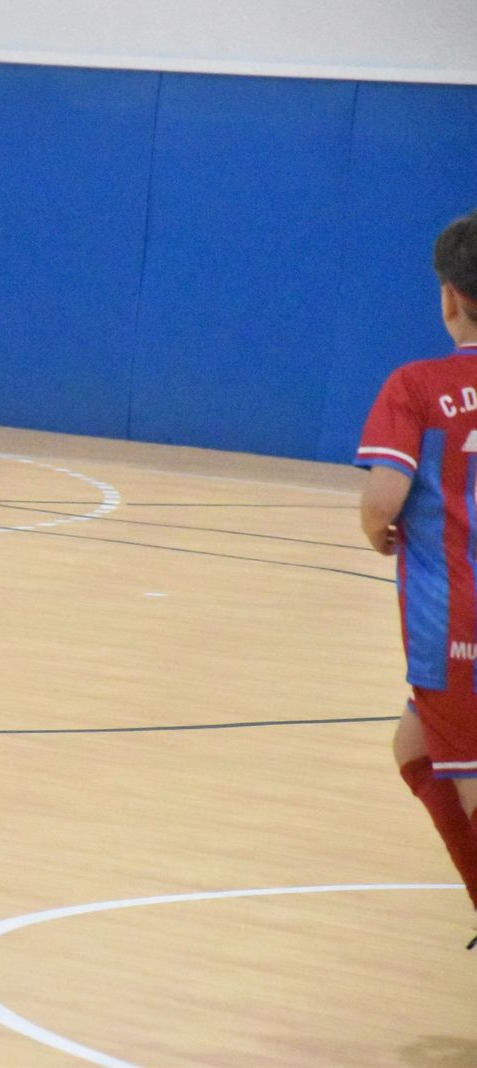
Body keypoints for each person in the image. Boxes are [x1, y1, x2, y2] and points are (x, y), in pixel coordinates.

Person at [358, 208, 477, 950]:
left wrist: (378, 533)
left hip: (457, 624)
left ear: (449, 298)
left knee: (468, 777)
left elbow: (382, 505)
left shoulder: (419, 385)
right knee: (414, 748)